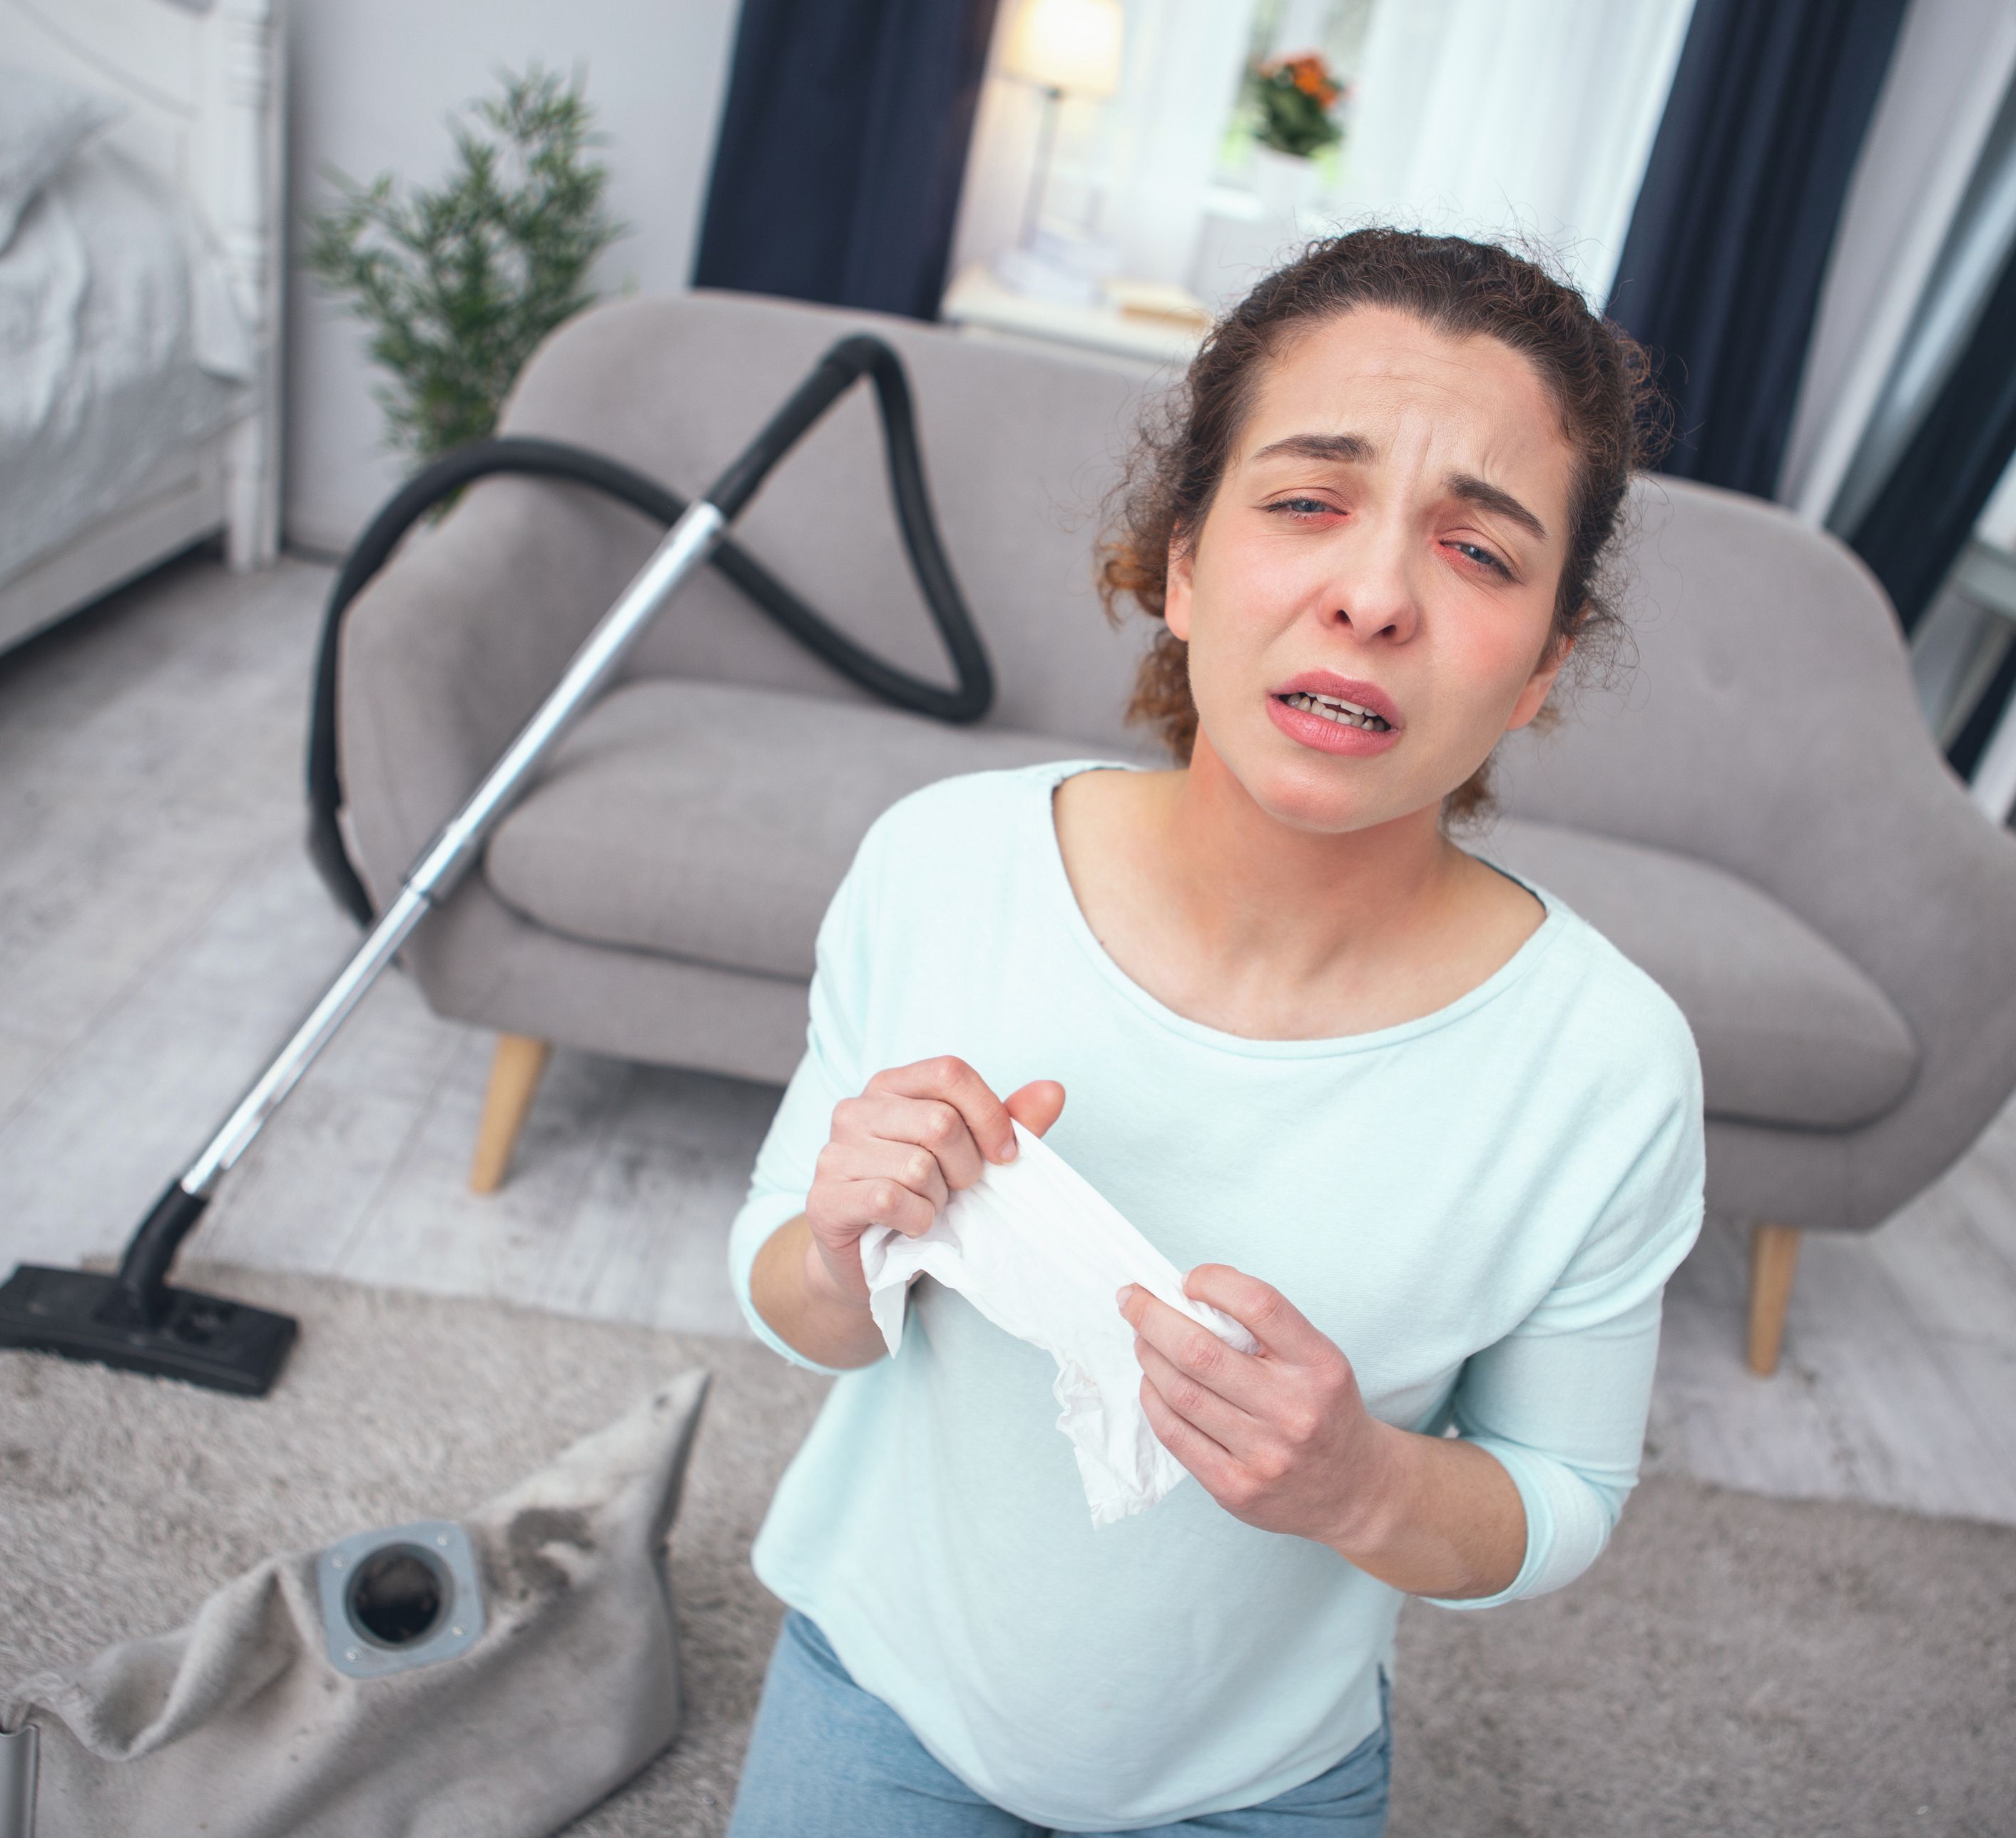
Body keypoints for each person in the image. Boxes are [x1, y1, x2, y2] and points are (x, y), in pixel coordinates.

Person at [722, 229, 1704, 1836]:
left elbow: (1565, 1495)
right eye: (1307, 502)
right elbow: (785, 1291)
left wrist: (1364, 1485)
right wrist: (841, 1248)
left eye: (1479, 554)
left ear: (1543, 667)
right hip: (885, 1687)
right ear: (1179, 565)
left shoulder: (1608, 1068)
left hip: (1261, 1781)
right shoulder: (944, 865)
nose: (1372, 595)